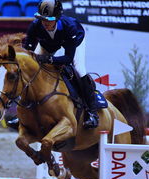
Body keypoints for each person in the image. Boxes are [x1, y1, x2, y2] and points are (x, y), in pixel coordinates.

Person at [7, 0, 99, 129]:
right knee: (29, 70)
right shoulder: (36, 26)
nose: (45, 23)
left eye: (49, 20)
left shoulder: (71, 27)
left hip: (73, 40)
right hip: (49, 42)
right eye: (42, 19)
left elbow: (68, 58)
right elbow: (28, 52)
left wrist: (49, 59)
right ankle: (21, 114)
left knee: (79, 68)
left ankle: (92, 113)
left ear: (57, 18)